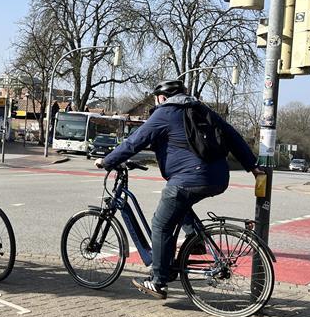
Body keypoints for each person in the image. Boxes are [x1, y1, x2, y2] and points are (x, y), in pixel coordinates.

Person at [94, 80, 261, 299]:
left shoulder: (166, 112)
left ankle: (158, 280)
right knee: (180, 207)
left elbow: (135, 141)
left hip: (189, 178)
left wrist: (107, 161)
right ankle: (196, 242)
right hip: (218, 177)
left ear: (162, 98)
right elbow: (232, 135)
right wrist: (251, 166)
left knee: (160, 224)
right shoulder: (201, 109)